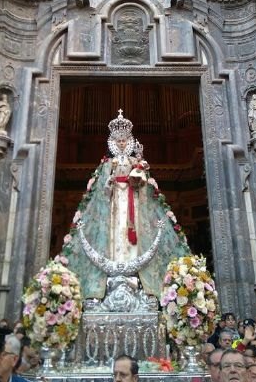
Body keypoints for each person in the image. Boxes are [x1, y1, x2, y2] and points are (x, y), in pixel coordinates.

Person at [62, 110, 191, 300]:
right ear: (113, 142)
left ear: (128, 141)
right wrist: (109, 183)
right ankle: (115, 267)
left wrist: (139, 175)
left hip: (133, 202)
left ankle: (135, 273)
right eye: (118, 140)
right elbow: (102, 189)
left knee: (132, 231)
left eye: (124, 140)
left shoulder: (134, 161)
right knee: (116, 232)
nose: (121, 143)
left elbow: (144, 186)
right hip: (115, 204)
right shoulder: (108, 164)